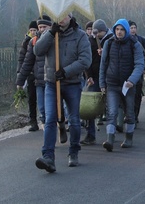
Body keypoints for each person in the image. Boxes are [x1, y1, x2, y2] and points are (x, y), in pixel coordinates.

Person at [33, 12, 92, 173]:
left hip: (72, 83)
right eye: (58, 15)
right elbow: (37, 51)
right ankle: (48, 157)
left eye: (65, 15)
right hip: (52, 83)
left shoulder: (80, 35)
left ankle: (73, 151)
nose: (61, 18)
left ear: (70, 16)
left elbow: (85, 60)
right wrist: (50, 33)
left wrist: (66, 71)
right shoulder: (49, 33)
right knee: (50, 117)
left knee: (74, 119)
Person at [100, 19, 145, 151]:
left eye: (122, 30)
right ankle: (110, 139)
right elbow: (103, 64)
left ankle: (129, 138)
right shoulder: (109, 43)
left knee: (129, 113)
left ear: (126, 31)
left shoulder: (134, 44)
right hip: (112, 84)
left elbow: (139, 64)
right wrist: (102, 83)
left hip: (128, 85)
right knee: (112, 112)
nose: (119, 32)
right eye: (117, 29)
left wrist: (132, 80)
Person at [16, 15, 53, 132]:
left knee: (51, 109)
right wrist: (20, 80)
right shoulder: (33, 41)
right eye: (40, 27)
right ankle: (44, 125)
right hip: (38, 80)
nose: (41, 29)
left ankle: (55, 127)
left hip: (52, 80)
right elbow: (26, 61)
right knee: (41, 108)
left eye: (44, 27)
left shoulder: (55, 39)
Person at [81, 19, 113, 145]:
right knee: (89, 107)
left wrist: (105, 53)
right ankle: (90, 135)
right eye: (95, 32)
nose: (96, 35)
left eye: (98, 33)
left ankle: (111, 134)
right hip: (93, 78)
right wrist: (88, 75)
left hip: (109, 78)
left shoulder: (111, 40)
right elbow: (86, 58)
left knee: (111, 107)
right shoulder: (90, 41)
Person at [16, 20, 39, 132]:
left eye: (35, 30)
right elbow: (22, 58)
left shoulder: (41, 39)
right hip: (30, 73)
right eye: (31, 30)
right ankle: (33, 121)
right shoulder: (26, 42)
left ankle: (45, 118)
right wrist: (20, 73)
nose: (33, 32)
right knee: (31, 98)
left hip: (40, 72)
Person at [128, 20, 145, 123]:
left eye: (134, 28)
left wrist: (142, 67)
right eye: (131, 28)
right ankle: (126, 115)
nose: (133, 30)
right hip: (125, 73)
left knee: (136, 95)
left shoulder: (141, 40)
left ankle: (134, 116)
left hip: (138, 73)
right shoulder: (121, 40)